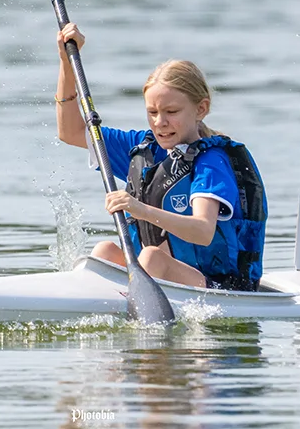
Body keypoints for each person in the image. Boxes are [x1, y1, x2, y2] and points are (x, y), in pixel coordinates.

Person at [55, 23, 267, 291]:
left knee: (152, 257)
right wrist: (66, 63)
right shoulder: (143, 149)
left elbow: (203, 231)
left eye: (172, 112)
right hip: (165, 277)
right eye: (152, 112)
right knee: (105, 251)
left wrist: (140, 209)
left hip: (221, 286)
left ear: (201, 109)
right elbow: (70, 131)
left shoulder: (211, 162)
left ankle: (133, 321)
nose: (160, 122)